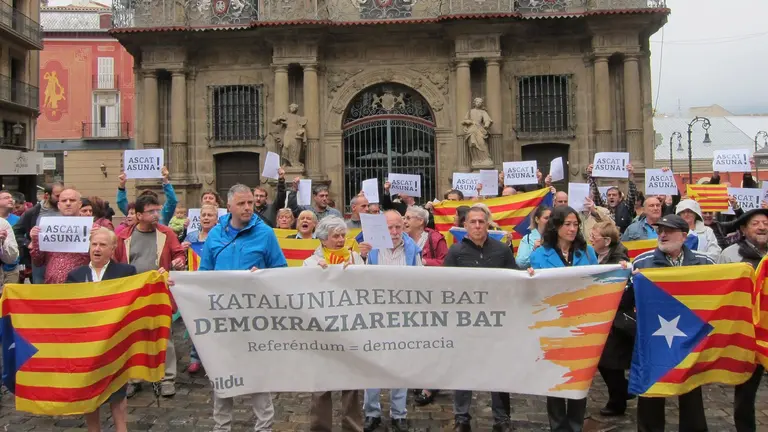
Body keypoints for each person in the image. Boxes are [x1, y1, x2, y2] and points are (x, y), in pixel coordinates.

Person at [198, 184, 287, 432]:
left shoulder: (265, 233)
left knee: (258, 374)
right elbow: (203, 274)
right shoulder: (215, 235)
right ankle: (222, 426)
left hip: (255, 320)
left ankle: (264, 427)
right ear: (229, 206)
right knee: (222, 374)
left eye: (250, 203)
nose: (248, 207)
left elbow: (281, 271)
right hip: (222, 319)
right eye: (242, 204)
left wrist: (264, 276)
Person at [631, 214, 714, 432]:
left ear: (684, 236)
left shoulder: (705, 263)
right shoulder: (642, 262)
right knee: (652, 391)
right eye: (660, 230)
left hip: (691, 338)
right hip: (654, 340)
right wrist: (630, 282)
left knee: (691, 390)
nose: (663, 235)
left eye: (668, 231)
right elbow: (627, 299)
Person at [444, 204, 517, 432]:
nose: (477, 226)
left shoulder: (502, 251)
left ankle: (501, 418)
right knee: (463, 370)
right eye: (473, 222)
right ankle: (461, 417)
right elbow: (444, 286)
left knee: (498, 369)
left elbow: (515, 281)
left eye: (481, 222)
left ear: (488, 224)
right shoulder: (455, 252)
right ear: (465, 225)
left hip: (496, 322)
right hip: (465, 323)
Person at [528, 206, 598, 432]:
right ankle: (558, 426)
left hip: (581, 324)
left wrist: (620, 269)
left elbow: (599, 282)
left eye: (575, 224)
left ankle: (576, 424)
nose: (572, 229)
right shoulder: (539, 254)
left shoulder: (587, 252)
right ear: (556, 226)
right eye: (567, 224)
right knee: (555, 377)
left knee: (580, 377)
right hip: (553, 324)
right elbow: (535, 292)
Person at [114, 194, 186, 398]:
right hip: (133, 294)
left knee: (164, 336)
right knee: (133, 337)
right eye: (151, 211)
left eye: (157, 210)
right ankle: (134, 378)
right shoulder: (124, 237)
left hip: (159, 293)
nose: (156, 214)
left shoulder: (166, 233)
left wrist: (178, 262)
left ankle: (167, 378)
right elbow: (116, 262)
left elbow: (178, 253)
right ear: (138, 215)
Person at [66, 227, 136, 432]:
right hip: (86, 346)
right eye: (94, 244)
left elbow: (138, 298)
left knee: (118, 393)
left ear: (112, 249)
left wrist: (159, 279)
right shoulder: (75, 275)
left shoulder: (125, 272)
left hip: (115, 344)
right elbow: (67, 309)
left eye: (102, 245)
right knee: (90, 393)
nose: (97, 249)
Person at [358, 210, 420, 432]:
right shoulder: (370, 249)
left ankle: (399, 413)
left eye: (397, 227)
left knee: (400, 364)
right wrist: (361, 258)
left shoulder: (413, 250)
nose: (394, 232)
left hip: (402, 315)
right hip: (375, 315)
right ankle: (371, 412)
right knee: (372, 363)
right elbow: (358, 281)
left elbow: (421, 280)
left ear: (403, 227)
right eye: (389, 228)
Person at [303, 216, 364, 432]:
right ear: (323, 239)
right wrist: (318, 274)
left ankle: (353, 427)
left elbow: (366, 288)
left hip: (349, 329)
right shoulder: (311, 262)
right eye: (335, 236)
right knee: (321, 385)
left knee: (351, 384)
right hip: (322, 331)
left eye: (342, 235)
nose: (340, 240)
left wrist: (355, 273)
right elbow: (304, 293)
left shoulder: (355, 258)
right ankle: (320, 427)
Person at [718, 208, 768, 432]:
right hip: (746, 333)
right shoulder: (731, 255)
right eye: (756, 223)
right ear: (743, 229)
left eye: (765, 223)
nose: (762, 227)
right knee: (745, 391)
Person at [589, 221, 634, 417]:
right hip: (602, 316)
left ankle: (618, 399)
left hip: (616, 319)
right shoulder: (596, 256)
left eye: (594, 236)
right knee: (606, 361)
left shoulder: (618, 261)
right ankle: (623, 392)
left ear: (607, 241)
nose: (591, 239)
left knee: (610, 361)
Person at [180, 203, 220, 374]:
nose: (206, 218)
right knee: (197, 322)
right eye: (203, 215)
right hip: (195, 285)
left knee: (215, 323)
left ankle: (215, 359)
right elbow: (181, 260)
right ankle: (195, 357)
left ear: (216, 219)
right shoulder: (191, 237)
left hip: (214, 285)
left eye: (210, 215)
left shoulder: (221, 237)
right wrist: (182, 250)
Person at [15, 182, 63, 284]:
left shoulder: (67, 211)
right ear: (47, 195)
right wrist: (28, 243)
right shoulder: (32, 213)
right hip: (40, 262)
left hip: (62, 261)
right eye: (58, 196)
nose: (61, 199)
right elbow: (16, 231)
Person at [0, 190, 21, 286]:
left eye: (11, 198)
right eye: (6, 198)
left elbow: (20, 240)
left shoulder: (18, 220)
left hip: (12, 265)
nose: (11, 200)